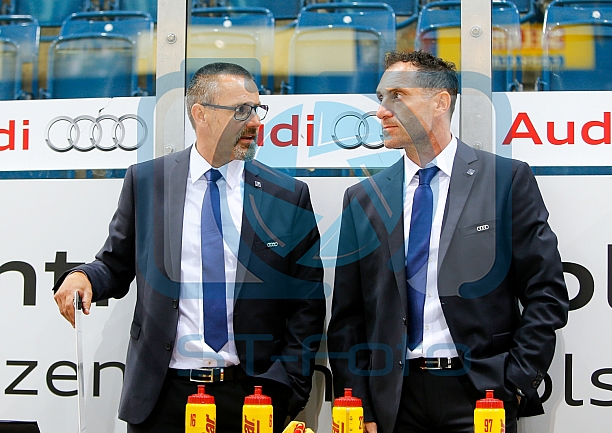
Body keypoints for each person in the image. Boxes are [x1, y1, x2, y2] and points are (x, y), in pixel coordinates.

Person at [53, 62, 325, 433]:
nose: (255, 122)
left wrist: (287, 390)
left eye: (257, 109)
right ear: (201, 114)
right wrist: (83, 276)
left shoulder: (287, 195)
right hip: (162, 398)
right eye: (241, 111)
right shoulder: (148, 181)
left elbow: (306, 304)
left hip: (253, 398)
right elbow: (115, 264)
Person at [327, 51, 569, 433]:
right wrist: (357, 405)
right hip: (393, 399)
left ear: (440, 101)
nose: (381, 112)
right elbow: (348, 316)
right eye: (381, 98)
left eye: (398, 96)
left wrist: (516, 382)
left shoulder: (504, 180)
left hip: (481, 396)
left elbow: (546, 292)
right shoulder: (364, 197)